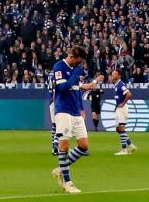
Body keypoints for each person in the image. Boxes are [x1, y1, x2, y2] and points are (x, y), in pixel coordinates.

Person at [51, 45, 96, 195]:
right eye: (79, 61)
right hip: (63, 110)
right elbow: (62, 88)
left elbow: (76, 90)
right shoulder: (59, 66)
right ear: (73, 57)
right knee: (64, 146)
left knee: (84, 146)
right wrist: (75, 75)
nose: (80, 64)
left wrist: (81, 108)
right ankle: (68, 182)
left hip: (75, 112)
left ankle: (60, 169)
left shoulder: (75, 69)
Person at [109, 69, 136, 155]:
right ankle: (131, 145)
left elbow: (129, 94)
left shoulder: (121, 84)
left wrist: (123, 103)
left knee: (121, 128)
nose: (112, 75)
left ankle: (124, 150)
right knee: (118, 129)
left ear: (119, 76)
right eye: (112, 74)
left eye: (114, 74)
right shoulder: (116, 85)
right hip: (118, 108)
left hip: (122, 109)